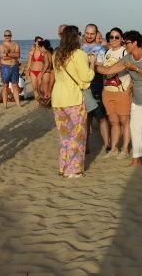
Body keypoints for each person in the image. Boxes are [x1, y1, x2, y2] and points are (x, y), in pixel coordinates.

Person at [100, 30, 142, 166]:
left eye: (126, 42)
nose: (124, 45)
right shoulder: (127, 58)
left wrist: (135, 68)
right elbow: (110, 70)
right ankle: (136, 159)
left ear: (135, 43)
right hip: (136, 100)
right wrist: (95, 65)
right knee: (135, 130)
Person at [52, 26, 95, 178]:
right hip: (73, 98)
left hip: (58, 98)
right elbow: (87, 76)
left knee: (64, 136)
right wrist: (92, 63)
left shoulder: (56, 54)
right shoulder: (79, 54)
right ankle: (74, 170)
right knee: (77, 135)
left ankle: (63, 167)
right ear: (76, 37)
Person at [97, 27, 132, 158]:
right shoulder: (107, 53)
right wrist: (104, 69)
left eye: (117, 37)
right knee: (113, 122)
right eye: (111, 37)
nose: (114, 40)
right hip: (107, 91)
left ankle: (125, 149)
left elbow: (104, 69)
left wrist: (105, 69)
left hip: (122, 91)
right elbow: (99, 68)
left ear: (121, 39)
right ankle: (114, 149)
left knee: (125, 121)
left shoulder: (125, 52)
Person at [82, 24, 110, 153]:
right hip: (82, 86)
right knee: (85, 119)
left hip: (96, 85)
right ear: (84, 33)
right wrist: (91, 62)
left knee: (101, 117)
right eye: (87, 33)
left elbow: (101, 64)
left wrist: (88, 64)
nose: (89, 36)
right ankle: (86, 146)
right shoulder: (79, 48)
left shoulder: (101, 49)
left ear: (96, 34)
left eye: (92, 34)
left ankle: (107, 144)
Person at [0, 29, 23, 108]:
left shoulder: (16, 44)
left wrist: (7, 53)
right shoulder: (1, 45)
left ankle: (18, 104)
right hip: (5, 67)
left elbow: (18, 55)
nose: (7, 37)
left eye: (9, 35)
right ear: (4, 36)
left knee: (15, 85)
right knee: (5, 85)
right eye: (6, 35)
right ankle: (5, 105)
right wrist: (12, 54)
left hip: (14, 67)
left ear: (11, 36)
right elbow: (3, 57)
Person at [24, 36, 48, 103]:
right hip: (33, 71)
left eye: (41, 42)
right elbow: (29, 62)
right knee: (34, 88)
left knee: (40, 88)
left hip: (41, 71)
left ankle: (42, 99)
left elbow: (47, 62)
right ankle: (38, 101)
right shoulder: (32, 51)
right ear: (35, 42)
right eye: (38, 41)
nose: (39, 43)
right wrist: (27, 71)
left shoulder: (43, 51)